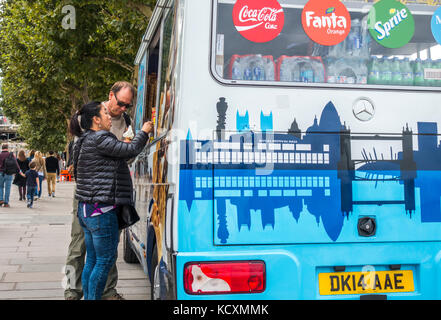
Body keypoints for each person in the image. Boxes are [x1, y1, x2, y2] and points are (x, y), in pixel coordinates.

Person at [71, 101, 153, 300]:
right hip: (101, 211)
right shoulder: (100, 138)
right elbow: (131, 150)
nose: (110, 117)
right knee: (104, 261)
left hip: (87, 210)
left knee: (92, 260)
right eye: (105, 113)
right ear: (96, 120)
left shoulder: (83, 139)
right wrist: (144, 131)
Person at [64, 81, 136, 300]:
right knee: (79, 247)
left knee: (107, 249)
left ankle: (108, 291)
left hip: (112, 194)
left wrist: (126, 145)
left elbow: (127, 156)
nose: (123, 109)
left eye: (128, 106)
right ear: (110, 96)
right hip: (89, 193)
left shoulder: (126, 121)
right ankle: (72, 291)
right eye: (121, 103)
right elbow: (79, 149)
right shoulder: (90, 114)